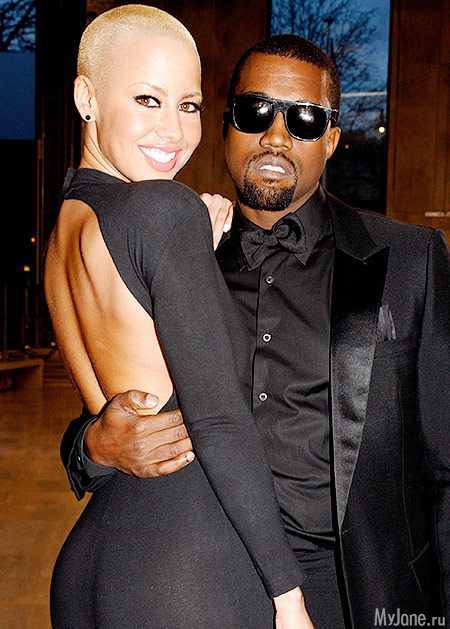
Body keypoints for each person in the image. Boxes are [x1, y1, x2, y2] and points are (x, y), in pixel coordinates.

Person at [59, 32, 450, 629]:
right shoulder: (182, 251)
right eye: (255, 111)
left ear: (332, 139)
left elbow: (444, 461)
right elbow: (114, 394)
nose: (276, 136)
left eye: (304, 119)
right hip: (209, 577)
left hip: (359, 589)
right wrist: (93, 448)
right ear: (225, 126)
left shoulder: (409, 260)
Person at [45, 7, 315, 629]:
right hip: (186, 568)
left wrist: (195, 251)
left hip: (95, 557)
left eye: (188, 105)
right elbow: (219, 421)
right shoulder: (164, 210)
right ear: (87, 98)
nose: (173, 131)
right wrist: (287, 596)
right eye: (148, 99)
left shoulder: (67, 224)